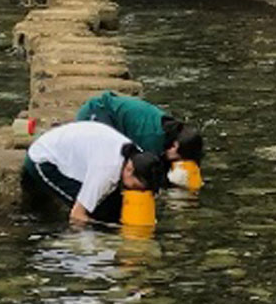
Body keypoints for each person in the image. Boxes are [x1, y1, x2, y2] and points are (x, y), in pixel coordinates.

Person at [22, 121, 165, 224]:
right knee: (96, 212)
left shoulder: (137, 155)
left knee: (113, 208)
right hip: (44, 159)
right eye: (137, 186)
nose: (139, 190)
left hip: (75, 151)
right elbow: (77, 215)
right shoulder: (106, 171)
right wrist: (107, 232)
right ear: (129, 170)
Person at [75, 91, 204, 168]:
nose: (177, 162)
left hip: (110, 113)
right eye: (178, 158)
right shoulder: (152, 138)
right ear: (175, 146)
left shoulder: (169, 128)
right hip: (96, 113)